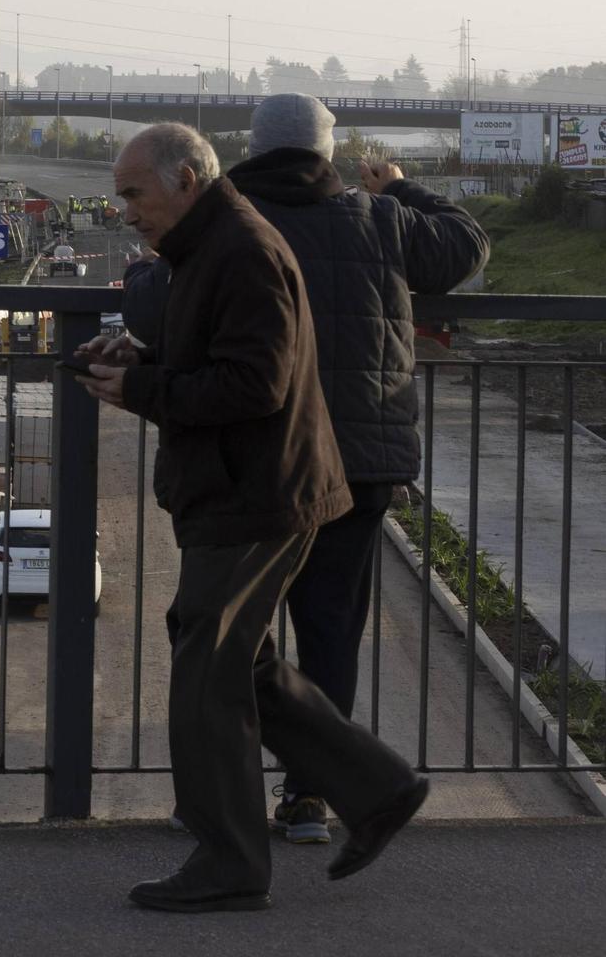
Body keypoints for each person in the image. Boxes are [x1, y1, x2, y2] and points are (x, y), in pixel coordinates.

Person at [75, 123, 427, 914]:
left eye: (134, 193)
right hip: (246, 488)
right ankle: (377, 789)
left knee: (206, 673)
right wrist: (146, 364)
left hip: (257, 493)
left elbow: (253, 387)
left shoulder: (239, 250)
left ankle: (229, 859)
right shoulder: (213, 243)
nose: (124, 210)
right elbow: (226, 363)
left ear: (186, 179)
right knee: (242, 665)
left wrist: (140, 391)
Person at [217, 93, 488, 841]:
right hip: (357, 461)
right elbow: (464, 247)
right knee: (330, 632)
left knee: (227, 633)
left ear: (254, 146)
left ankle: (217, 798)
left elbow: (156, 305)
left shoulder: (227, 220)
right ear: (326, 152)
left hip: (250, 458)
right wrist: (398, 184)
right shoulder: (378, 218)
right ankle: (309, 798)